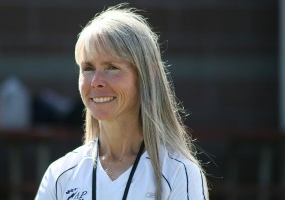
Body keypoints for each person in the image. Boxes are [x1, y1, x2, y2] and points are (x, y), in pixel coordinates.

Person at [36, 4, 209, 200]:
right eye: (88, 68)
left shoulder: (178, 173)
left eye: (111, 67)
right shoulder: (60, 175)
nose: (96, 82)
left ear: (147, 75)